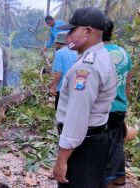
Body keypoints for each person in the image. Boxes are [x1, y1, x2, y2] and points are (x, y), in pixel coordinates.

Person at [52, 7, 117, 188]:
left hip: (83, 147)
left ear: (87, 31)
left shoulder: (87, 67)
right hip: (95, 140)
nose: (68, 36)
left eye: (72, 30)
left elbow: (76, 118)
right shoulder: (101, 56)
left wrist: (62, 160)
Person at [103, 18, 132, 188]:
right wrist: (124, 104)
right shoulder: (124, 53)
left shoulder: (96, 54)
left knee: (100, 149)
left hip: (102, 109)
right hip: (119, 107)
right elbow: (127, 84)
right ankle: (117, 180)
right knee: (115, 146)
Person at [50, 31, 77, 110]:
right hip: (75, 87)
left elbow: (59, 72)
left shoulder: (59, 53)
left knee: (60, 113)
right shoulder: (76, 51)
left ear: (58, 43)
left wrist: (54, 86)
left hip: (62, 88)